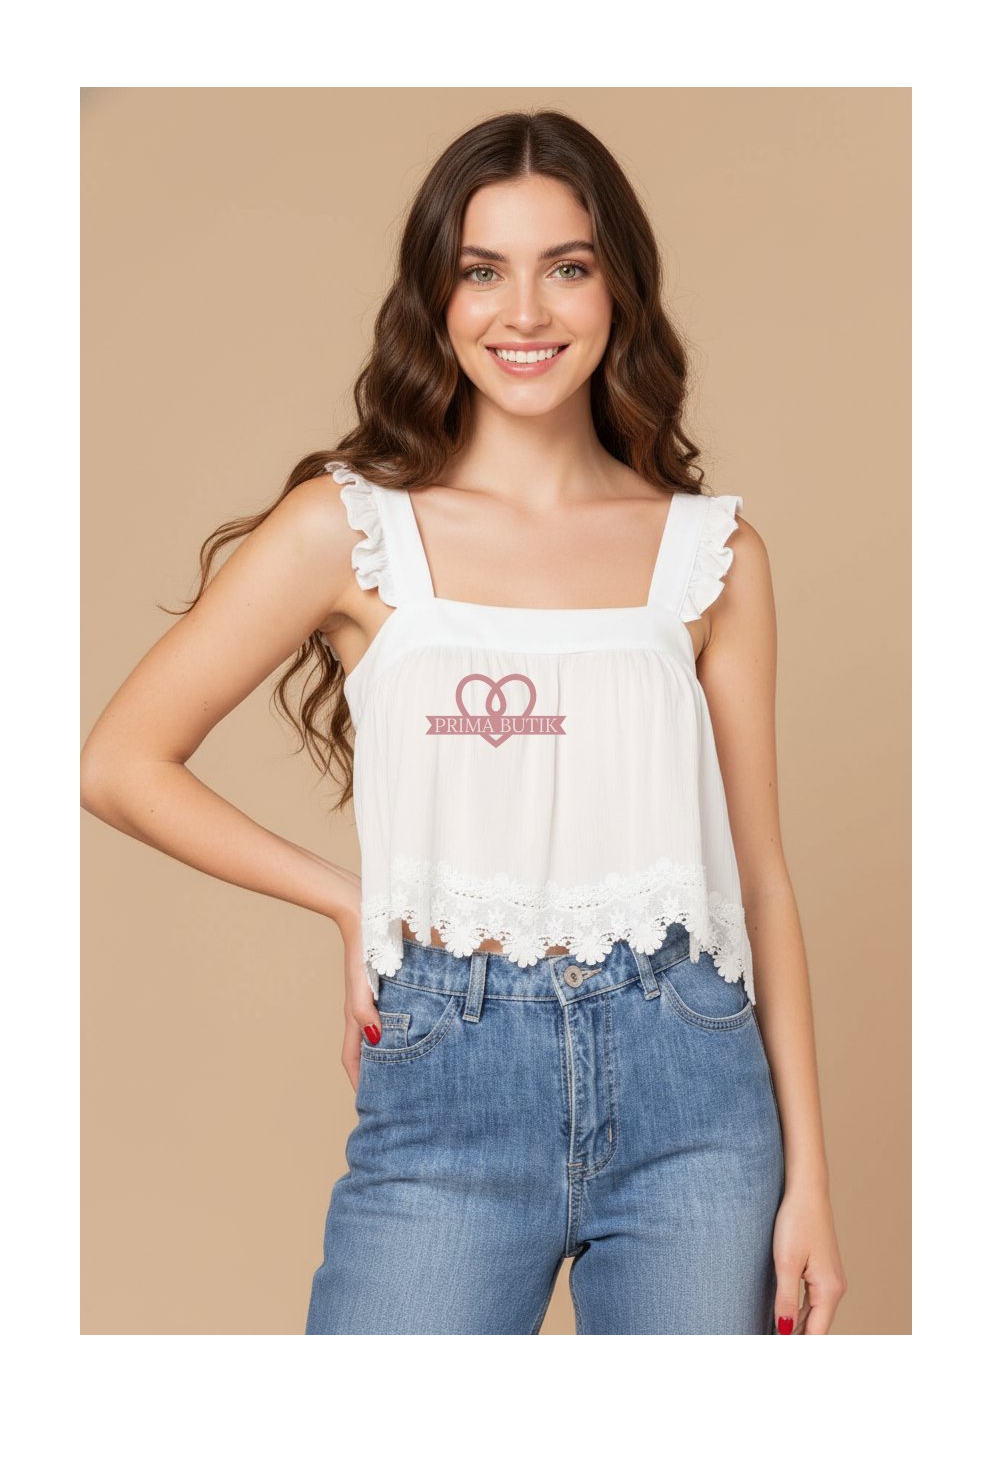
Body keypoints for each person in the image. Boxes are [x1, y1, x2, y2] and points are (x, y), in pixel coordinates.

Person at [81, 108, 848, 1335]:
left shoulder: (712, 556)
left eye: (567, 267)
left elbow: (758, 883)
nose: (523, 312)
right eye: (482, 270)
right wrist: (351, 902)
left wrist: (809, 1182)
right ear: (436, 297)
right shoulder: (351, 529)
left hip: (695, 1094)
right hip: (448, 1077)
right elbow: (121, 764)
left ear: (619, 289)